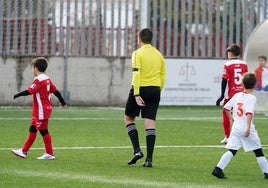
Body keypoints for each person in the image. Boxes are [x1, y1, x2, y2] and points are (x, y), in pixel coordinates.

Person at [212, 73, 268, 179]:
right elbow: (249, 113)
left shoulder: (237, 95)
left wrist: (231, 119)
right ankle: (267, 173)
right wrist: (247, 128)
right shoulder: (251, 98)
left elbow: (226, 108)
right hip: (246, 128)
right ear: (254, 85)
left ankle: (218, 169)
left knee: (232, 150)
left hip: (236, 127)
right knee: (258, 151)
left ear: (242, 84)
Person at [124, 28, 166, 167]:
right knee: (150, 122)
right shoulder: (159, 54)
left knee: (129, 118)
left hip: (141, 88)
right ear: (151, 39)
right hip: (155, 89)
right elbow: (162, 75)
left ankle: (137, 150)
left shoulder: (137, 53)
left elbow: (136, 74)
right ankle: (149, 160)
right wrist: (157, 90)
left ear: (139, 38)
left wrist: (136, 93)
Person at [12, 57, 67, 160]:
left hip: (41, 111)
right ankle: (23, 151)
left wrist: (17, 95)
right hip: (44, 109)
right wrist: (63, 101)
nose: (32, 70)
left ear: (36, 68)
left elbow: (29, 91)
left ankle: (49, 153)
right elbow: (55, 91)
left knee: (43, 130)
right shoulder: (46, 78)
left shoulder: (39, 80)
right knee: (32, 129)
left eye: (32, 67)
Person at [216, 44, 248, 145]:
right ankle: (242, 137)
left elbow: (224, 80)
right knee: (241, 116)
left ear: (230, 53)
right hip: (242, 95)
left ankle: (228, 137)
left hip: (231, 95)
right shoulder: (244, 64)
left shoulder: (227, 65)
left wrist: (221, 95)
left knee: (226, 115)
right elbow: (246, 79)